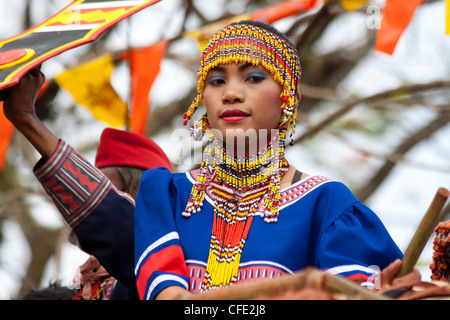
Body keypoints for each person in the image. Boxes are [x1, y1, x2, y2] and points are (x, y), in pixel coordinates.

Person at [2, 20, 416, 301]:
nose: (231, 93)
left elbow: (363, 289)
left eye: (254, 78)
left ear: (288, 99)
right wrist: (27, 120)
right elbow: (113, 224)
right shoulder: (167, 195)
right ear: (204, 101)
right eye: (216, 81)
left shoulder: (326, 205)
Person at [71, 127, 172, 300]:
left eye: (105, 190)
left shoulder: (154, 270)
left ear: (137, 193)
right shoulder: (90, 282)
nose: (90, 198)